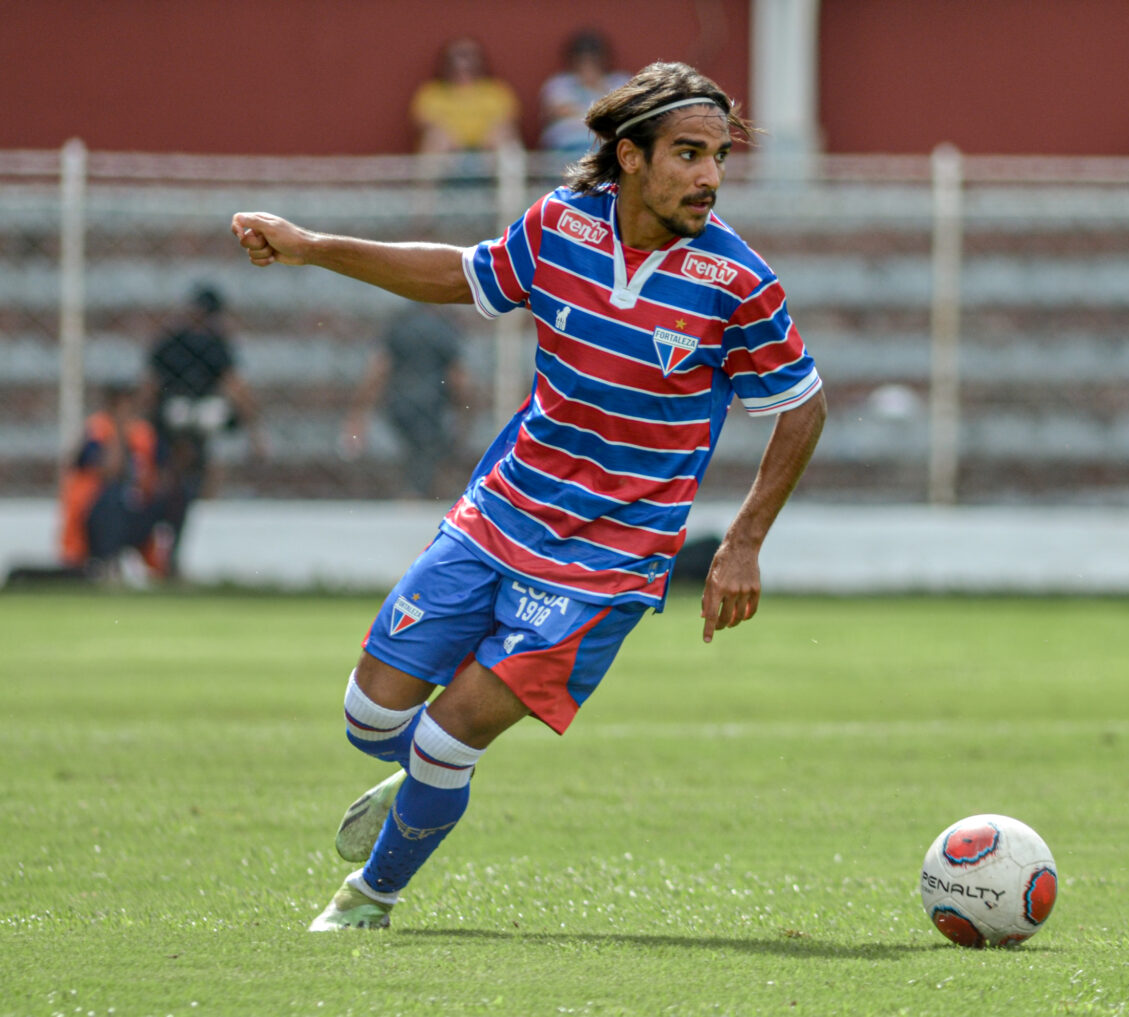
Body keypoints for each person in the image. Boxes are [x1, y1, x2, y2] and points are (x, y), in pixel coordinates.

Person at [230, 61, 827, 932]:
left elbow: (804, 408)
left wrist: (742, 541)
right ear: (630, 156)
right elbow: (459, 275)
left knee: (445, 740)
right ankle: (425, 787)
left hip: (609, 561)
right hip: (502, 512)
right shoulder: (559, 225)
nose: (709, 176)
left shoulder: (738, 284)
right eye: (689, 154)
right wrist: (315, 246)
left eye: (719, 158)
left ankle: (369, 897)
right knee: (370, 715)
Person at [141, 284, 265, 575]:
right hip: (195, 415)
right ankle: (204, 495)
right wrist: (255, 432)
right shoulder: (214, 344)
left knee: (185, 455)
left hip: (175, 415)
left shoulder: (171, 341)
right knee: (208, 431)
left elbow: (150, 386)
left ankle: (188, 486)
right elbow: (236, 387)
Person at [341, 303, 474, 499]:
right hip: (432, 405)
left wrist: (359, 413)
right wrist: (466, 413)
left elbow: (378, 370)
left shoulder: (399, 325)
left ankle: (412, 497)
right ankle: (415, 502)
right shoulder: (444, 329)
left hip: (398, 403)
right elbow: (459, 379)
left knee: (417, 459)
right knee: (426, 462)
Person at [57, 383, 172, 581]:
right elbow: (111, 471)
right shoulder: (97, 432)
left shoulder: (145, 433)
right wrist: (118, 432)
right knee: (114, 496)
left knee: (175, 497)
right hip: (95, 514)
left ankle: (167, 566)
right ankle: (107, 563)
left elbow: (163, 475)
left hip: (136, 508)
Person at [410, 36, 520, 180]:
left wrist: (486, 141)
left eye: (469, 55)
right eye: (458, 55)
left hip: (487, 151)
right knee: (435, 139)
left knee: (505, 138)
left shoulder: (496, 90)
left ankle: (510, 201)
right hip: (449, 153)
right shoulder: (432, 92)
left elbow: (508, 119)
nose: (463, 62)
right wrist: (452, 140)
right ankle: (424, 201)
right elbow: (423, 121)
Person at [538, 30, 629, 158]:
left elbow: (623, 110)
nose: (587, 65)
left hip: (609, 149)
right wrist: (603, 114)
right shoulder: (559, 83)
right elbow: (561, 110)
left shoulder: (620, 81)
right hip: (566, 147)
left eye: (593, 60)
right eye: (582, 60)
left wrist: (597, 87)